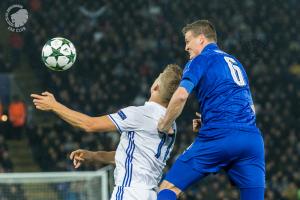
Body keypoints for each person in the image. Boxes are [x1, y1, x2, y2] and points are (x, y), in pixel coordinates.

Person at [31, 64, 182, 200]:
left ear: (155, 86)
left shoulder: (139, 114)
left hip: (129, 192)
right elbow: (131, 158)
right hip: (150, 194)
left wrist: (54, 106)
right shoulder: (172, 125)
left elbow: (89, 124)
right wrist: (93, 156)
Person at [157, 20, 265, 200]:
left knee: (168, 188)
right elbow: (250, 109)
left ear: (201, 39)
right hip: (252, 141)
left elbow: (181, 95)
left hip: (219, 136)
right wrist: (210, 118)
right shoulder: (235, 62)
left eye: (187, 41)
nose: (185, 47)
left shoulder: (201, 59)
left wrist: (164, 124)